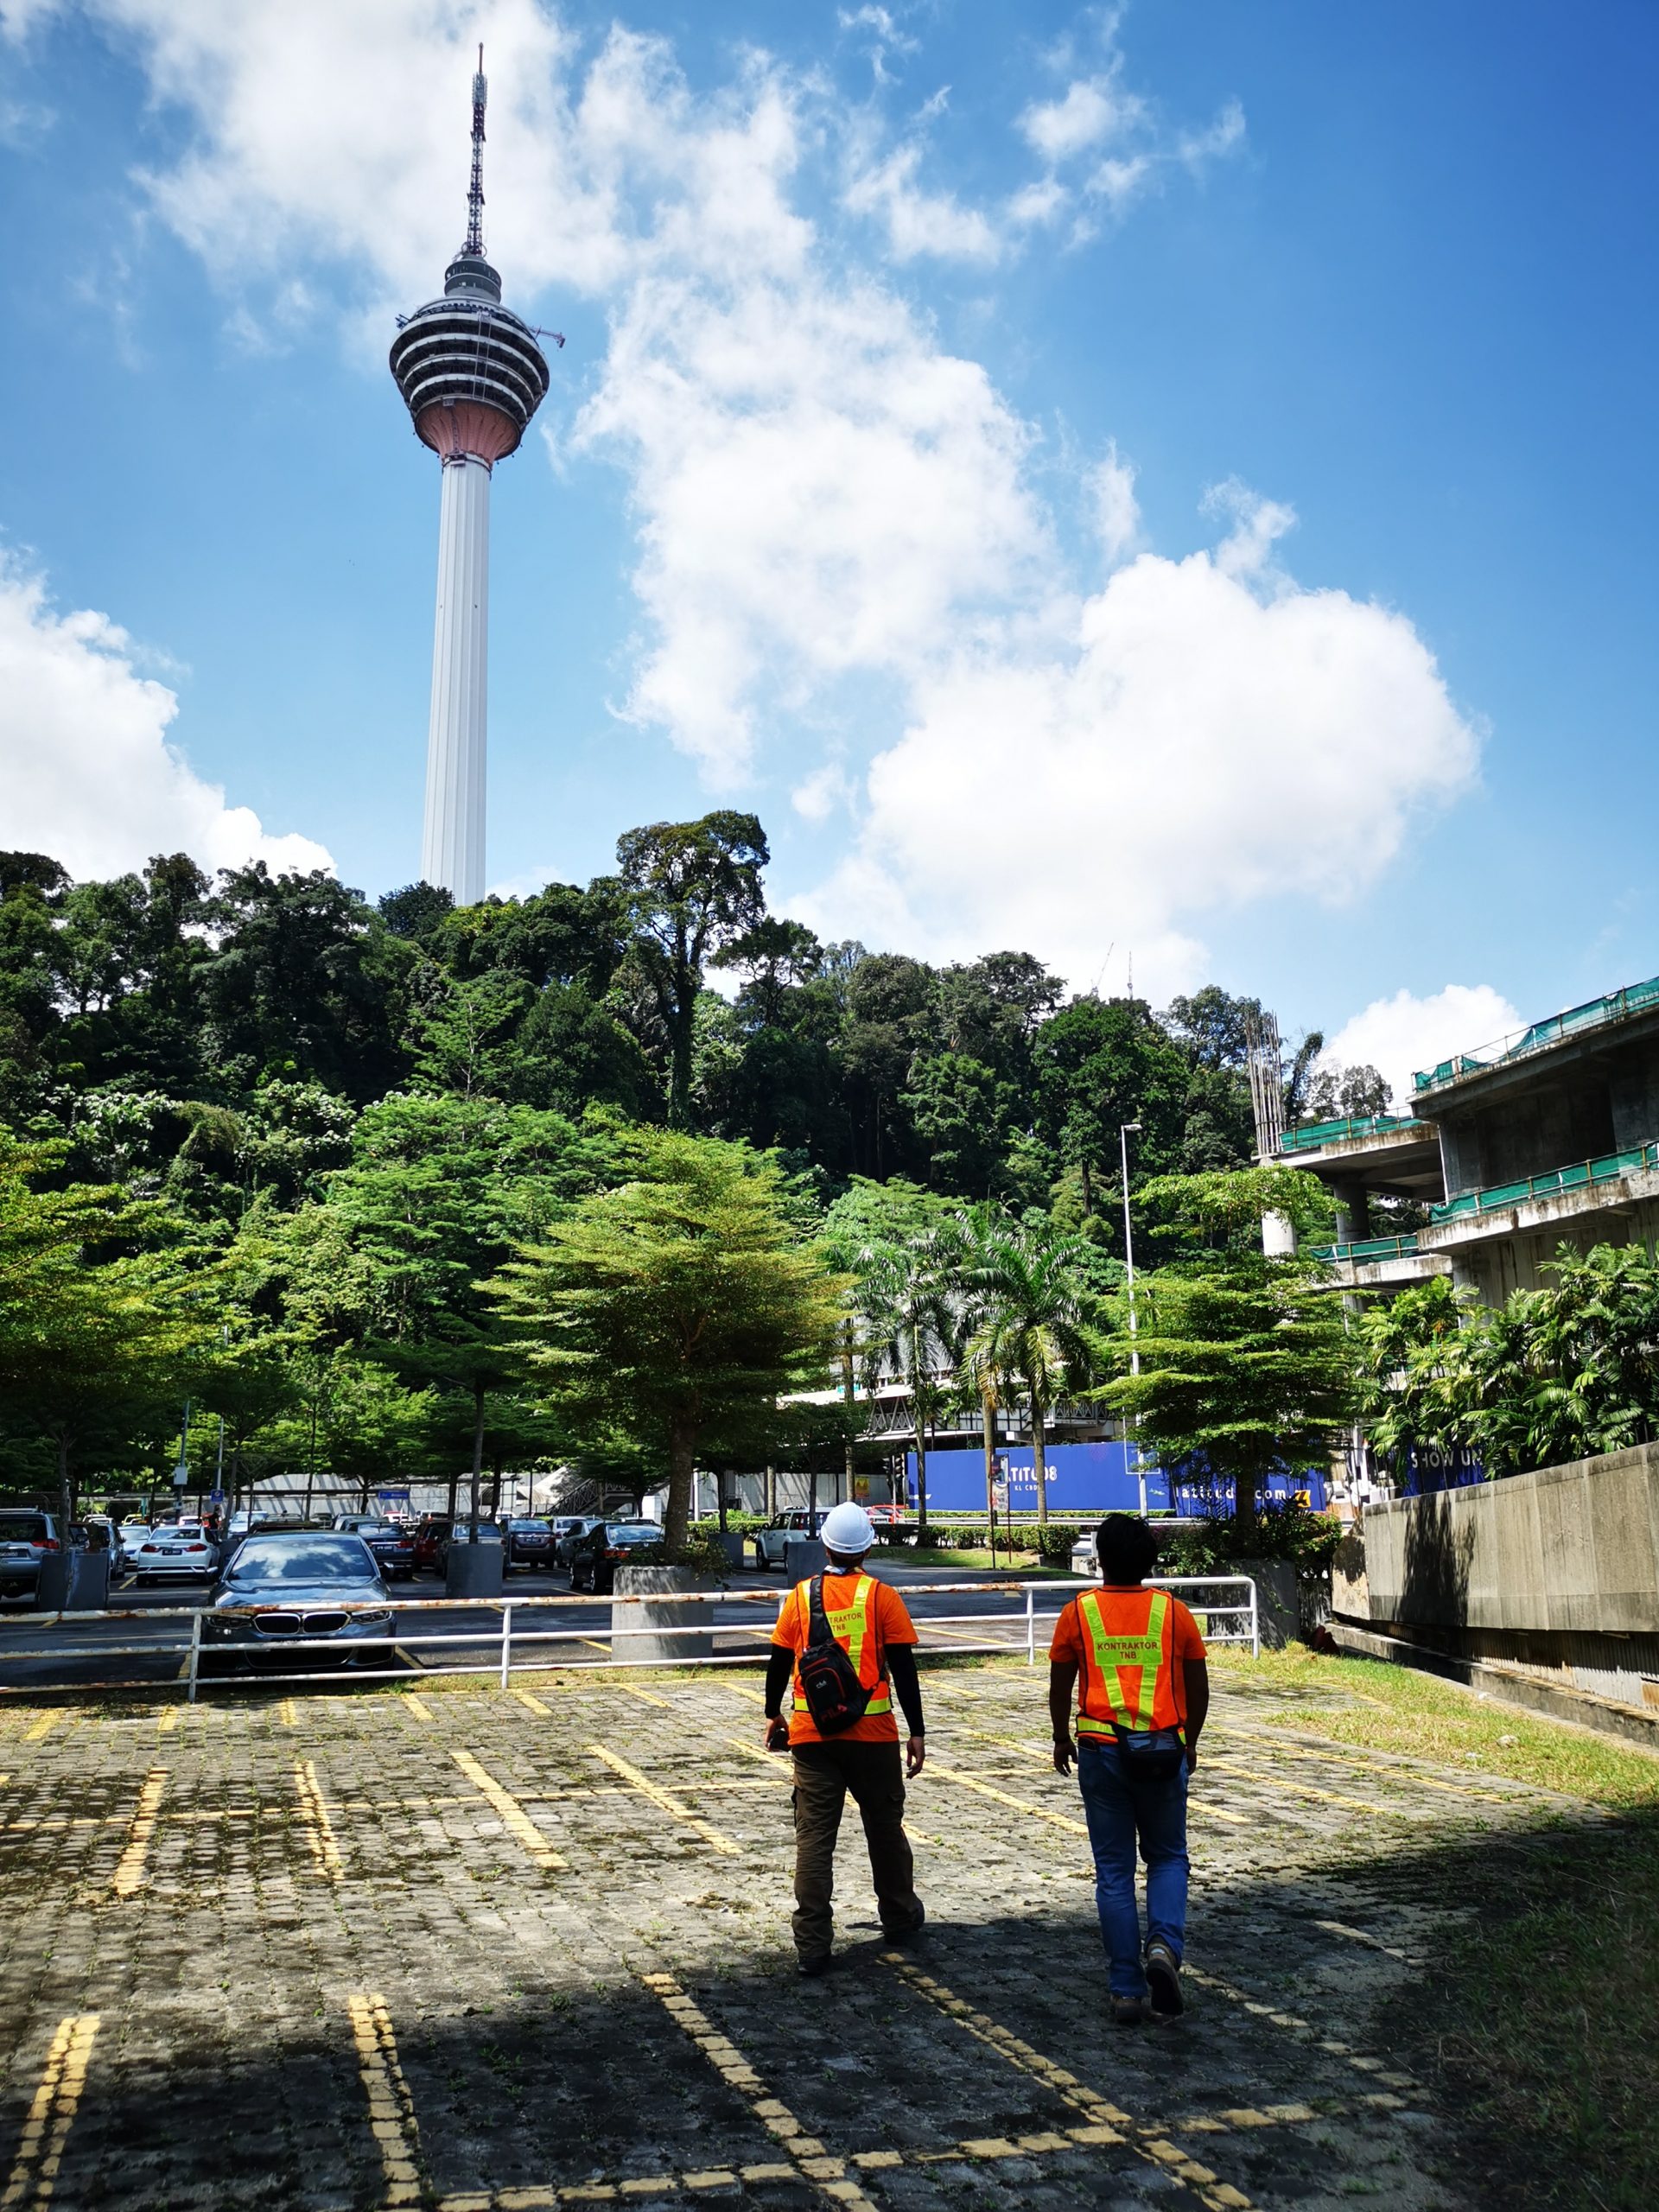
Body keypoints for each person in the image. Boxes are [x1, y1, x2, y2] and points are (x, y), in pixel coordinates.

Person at [1049, 1512, 1209, 2025]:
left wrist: (1060, 1735)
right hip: (1164, 1751)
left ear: (1099, 1556)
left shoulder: (1078, 1613)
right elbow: (1199, 1687)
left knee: (1114, 1871)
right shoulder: (1173, 1613)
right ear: (1151, 1560)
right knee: (1166, 1858)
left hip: (1099, 1750)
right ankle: (1163, 1948)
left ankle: (1125, 1990)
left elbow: (1059, 1683)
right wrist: (1191, 1742)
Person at [765, 1500, 927, 1975]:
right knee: (884, 1830)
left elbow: (778, 1661)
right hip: (874, 1736)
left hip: (813, 1737)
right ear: (868, 1548)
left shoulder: (798, 1597)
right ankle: (899, 1916)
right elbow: (904, 1669)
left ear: (827, 1545)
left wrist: (773, 1714)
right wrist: (917, 1731)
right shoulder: (883, 1597)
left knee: (814, 1840)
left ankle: (812, 1944)